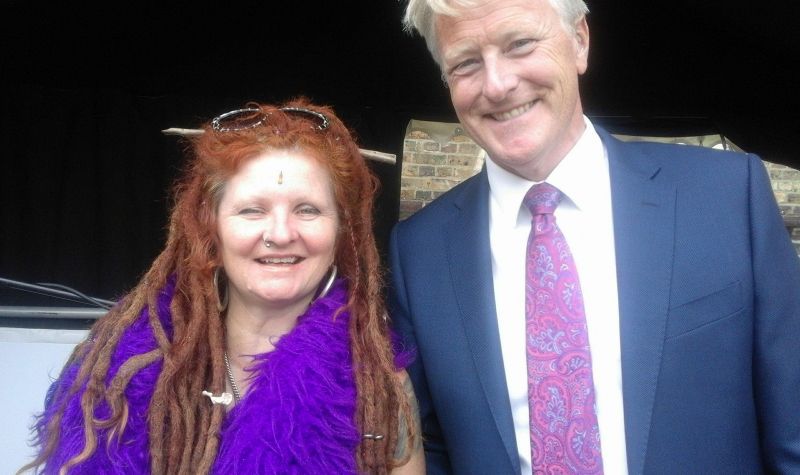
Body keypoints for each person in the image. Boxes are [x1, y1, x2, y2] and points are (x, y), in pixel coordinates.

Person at [390, 0, 800, 474]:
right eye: (465, 63)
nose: (497, 84)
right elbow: (431, 448)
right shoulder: (419, 253)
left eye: (520, 44)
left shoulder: (724, 196)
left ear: (579, 41)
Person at [23, 99, 425, 474]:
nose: (280, 234)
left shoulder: (380, 386)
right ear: (211, 227)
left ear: (340, 231)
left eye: (308, 210)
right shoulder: (114, 367)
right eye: (252, 210)